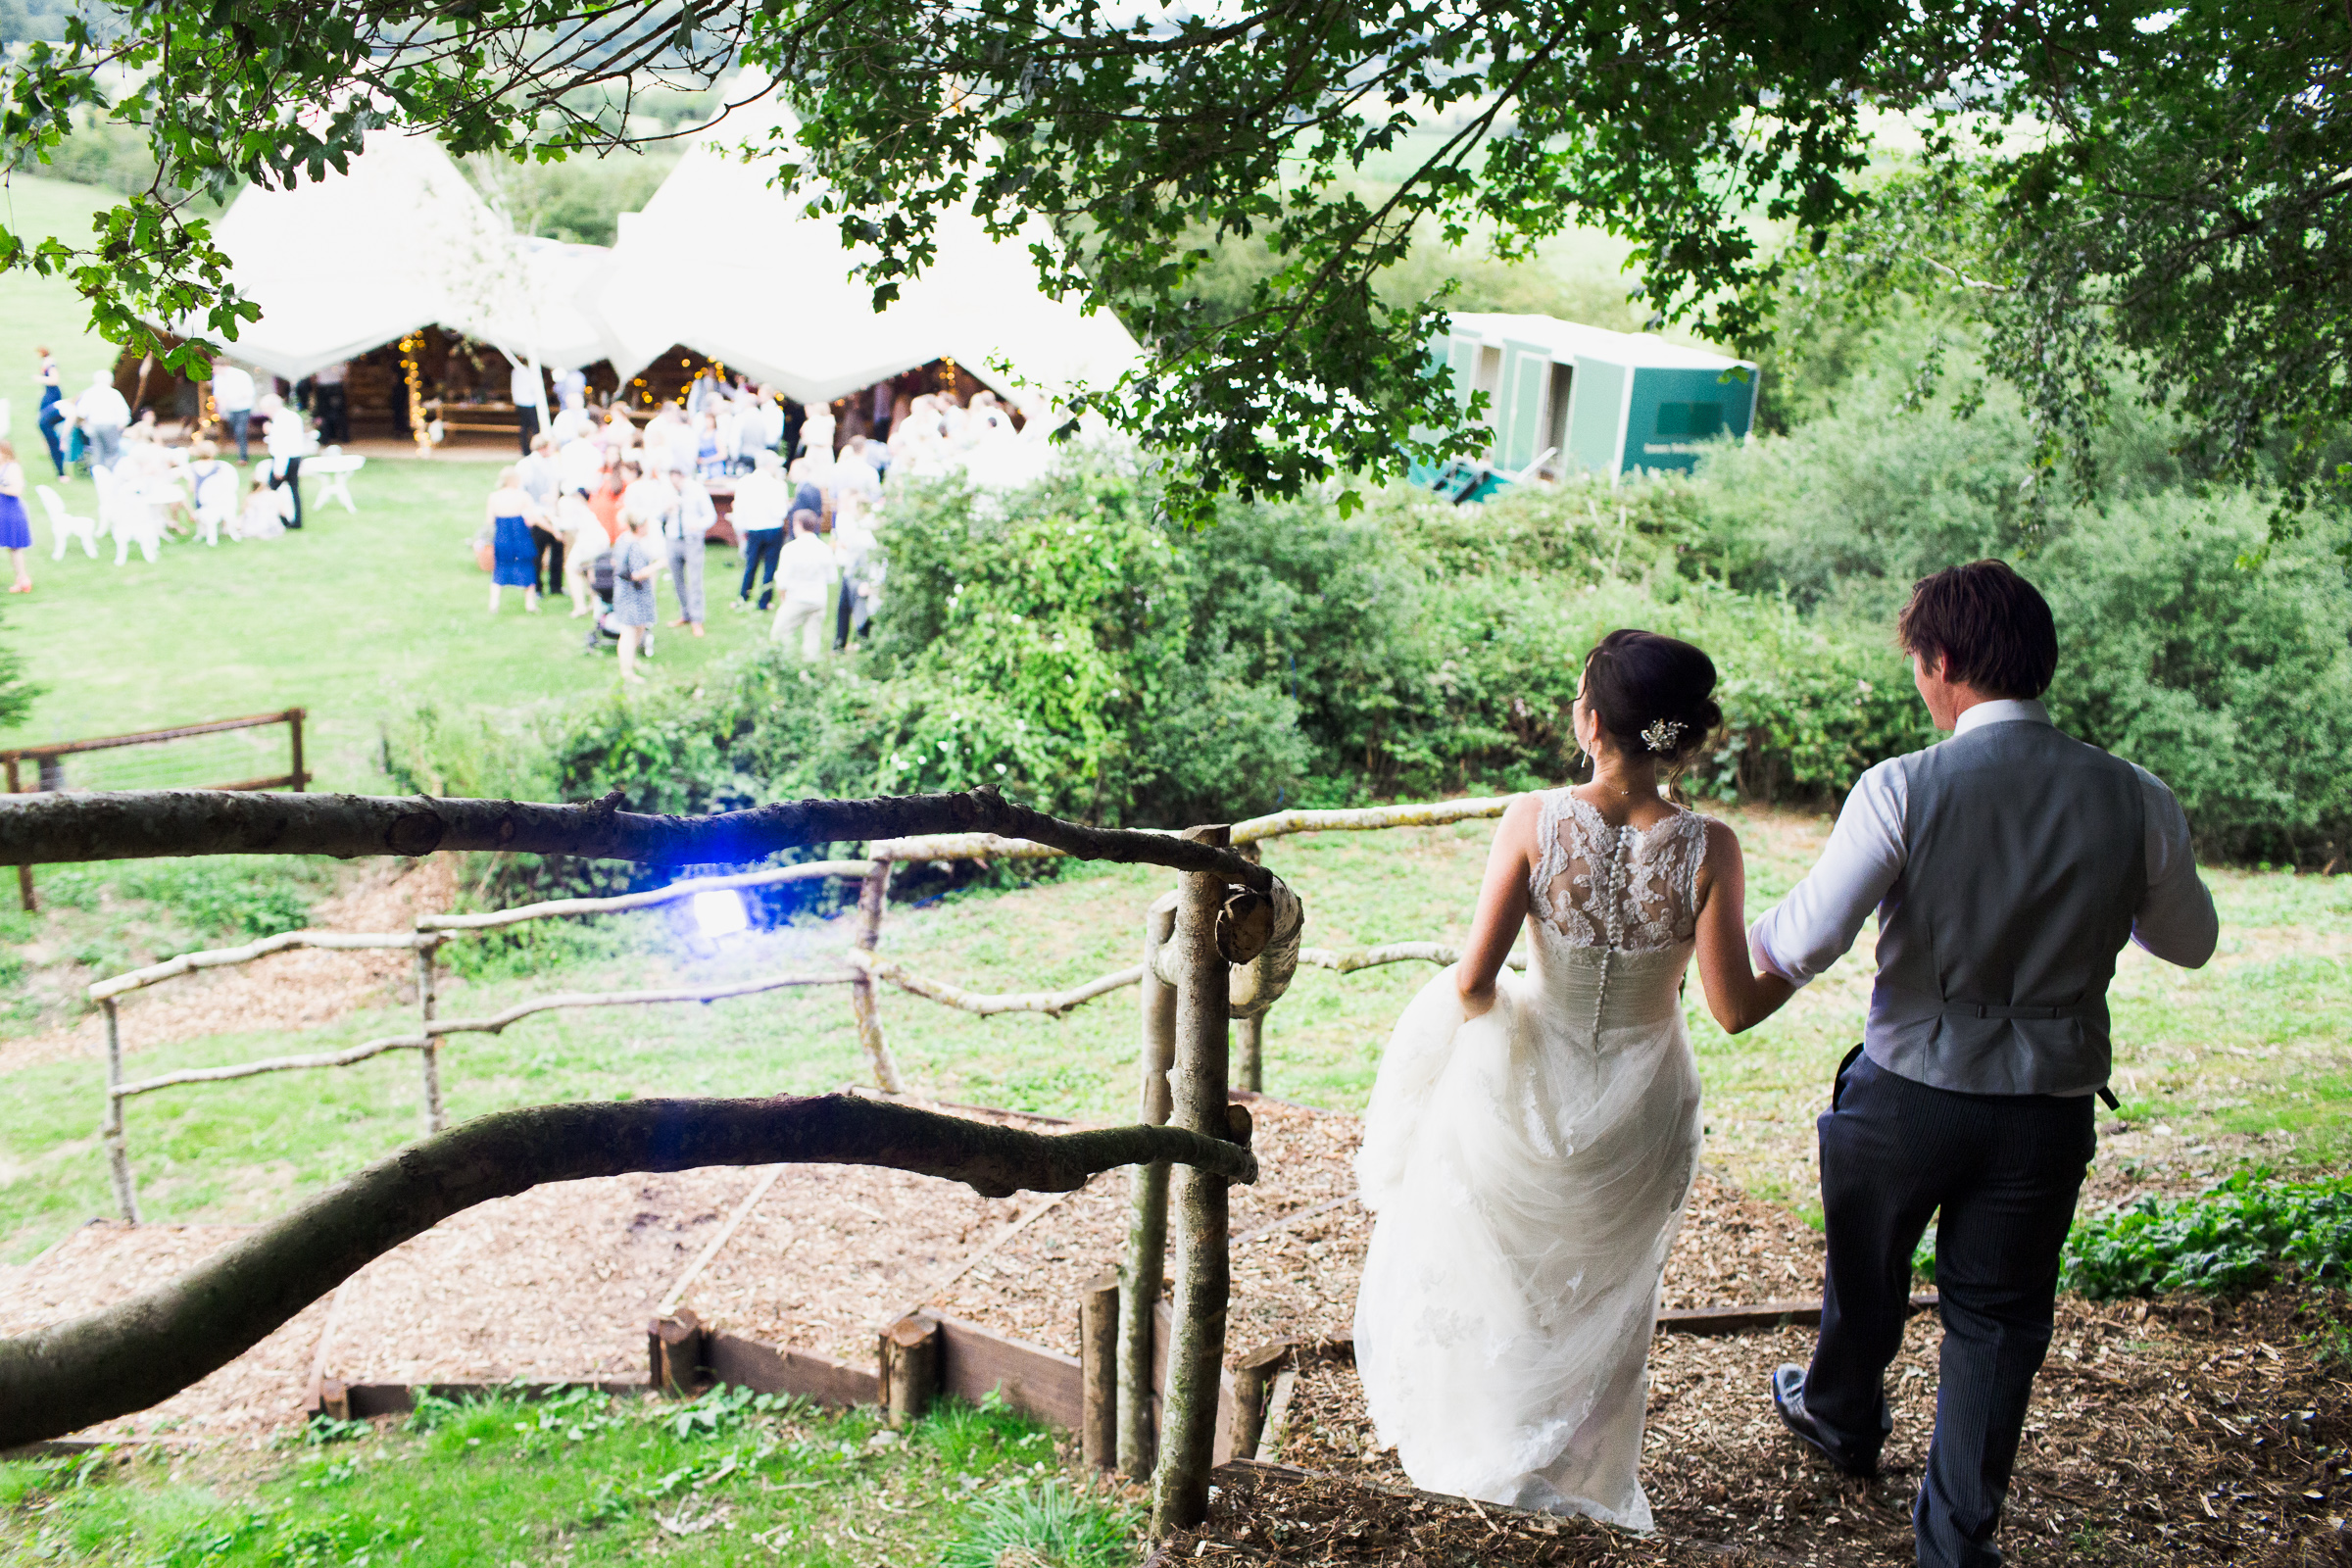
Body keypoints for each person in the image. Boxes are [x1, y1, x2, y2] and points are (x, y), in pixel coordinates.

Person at [1751, 562, 2216, 1568]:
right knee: (1999, 1325)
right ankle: (1955, 1544)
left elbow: (1797, 942)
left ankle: (1839, 1414)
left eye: (1918, 664)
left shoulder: (1903, 786)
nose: (1919, 681)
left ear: (1945, 662)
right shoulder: (2135, 795)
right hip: (2045, 1104)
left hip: (1908, 1090)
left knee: (1866, 1271)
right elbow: (2190, 942)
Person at [1352, 630, 1793, 1527]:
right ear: (1679, 732)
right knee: (1612, 1292)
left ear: (1593, 722)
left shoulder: (1532, 820)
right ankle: (1587, 1478)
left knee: (1510, 1273)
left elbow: (1475, 982)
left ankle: (1500, 1443)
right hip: (1644, 1100)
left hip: (1533, 1078)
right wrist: (1804, 959)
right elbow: (1734, 1008)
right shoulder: (1712, 847)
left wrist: (1500, 1033)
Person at [770, 511, 836, 660]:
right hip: (818, 599)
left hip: (797, 598)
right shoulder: (824, 549)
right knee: (812, 639)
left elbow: (782, 581)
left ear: (798, 525)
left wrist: (783, 599)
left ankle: (784, 664)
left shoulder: (790, 549)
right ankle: (809, 671)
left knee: (779, 633)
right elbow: (832, 577)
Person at [732, 450, 790, 611]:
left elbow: (739, 508)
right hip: (773, 529)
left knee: (751, 564)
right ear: (770, 465)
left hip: (753, 528)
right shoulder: (777, 485)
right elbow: (781, 512)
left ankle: (743, 596)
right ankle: (764, 601)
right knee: (770, 565)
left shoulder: (744, 482)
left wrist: (740, 529)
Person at [611, 510, 661, 682]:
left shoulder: (623, 539)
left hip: (627, 590)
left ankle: (631, 661)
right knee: (629, 631)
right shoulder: (634, 547)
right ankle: (626, 672)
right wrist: (658, 565)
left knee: (639, 626)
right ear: (639, 527)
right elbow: (637, 574)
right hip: (632, 592)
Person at [484, 466, 542, 613]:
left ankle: (494, 603)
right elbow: (532, 519)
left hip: (502, 537)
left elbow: (490, 520)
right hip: (520, 536)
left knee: (500, 568)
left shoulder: (494, 496)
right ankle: (530, 604)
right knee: (527, 566)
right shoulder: (523, 496)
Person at [666, 472, 713, 637]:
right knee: (677, 580)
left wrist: (697, 525)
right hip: (672, 539)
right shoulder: (666, 490)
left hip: (692, 540)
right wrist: (666, 509)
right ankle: (685, 614)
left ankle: (697, 619)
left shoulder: (696, 490)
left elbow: (710, 516)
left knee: (695, 581)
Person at [262, 395, 313, 528]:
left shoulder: (280, 420)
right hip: (295, 456)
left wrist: (279, 468)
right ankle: (297, 521)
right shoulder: (293, 416)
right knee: (294, 490)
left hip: (284, 459)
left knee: (270, 490)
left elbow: (281, 445)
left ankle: (278, 519)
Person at [555, 485, 606, 617]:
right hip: (598, 538)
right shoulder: (578, 502)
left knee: (571, 568)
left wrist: (553, 519)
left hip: (588, 540)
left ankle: (580, 606)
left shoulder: (564, 502)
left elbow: (567, 526)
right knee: (589, 569)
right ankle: (595, 602)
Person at [74, 370, 129, 471]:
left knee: (97, 451)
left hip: (94, 425)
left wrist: (85, 425)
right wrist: (122, 424)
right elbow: (123, 412)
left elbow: (81, 412)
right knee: (112, 452)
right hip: (110, 425)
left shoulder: (89, 393)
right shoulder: (114, 393)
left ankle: (99, 473)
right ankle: (112, 472)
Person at [0, 441, 32, 592]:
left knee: (15, 547)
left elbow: (16, 490)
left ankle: (22, 579)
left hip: (10, 511)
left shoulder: (12, 468)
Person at [209, 360, 257, 462]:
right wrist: (221, 407)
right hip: (230, 409)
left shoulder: (240, 375)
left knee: (240, 431)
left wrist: (229, 399)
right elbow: (217, 394)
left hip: (243, 407)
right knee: (235, 431)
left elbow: (248, 392)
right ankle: (240, 452)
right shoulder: (218, 378)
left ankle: (243, 456)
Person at [33, 348, 65, 478]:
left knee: (45, 420)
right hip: (48, 394)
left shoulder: (50, 363)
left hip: (52, 395)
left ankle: (55, 447)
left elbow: (54, 380)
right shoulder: (47, 362)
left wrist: (39, 379)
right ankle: (48, 448)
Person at [511, 358, 545, 454]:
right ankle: (535, 447)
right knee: (534, 427)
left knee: (525, 427)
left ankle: (526, 449)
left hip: (521, 401)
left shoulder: (516, 371)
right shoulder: (531, 371)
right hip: (530, 402)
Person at [313, 360, 349, 443]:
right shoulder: (338, 359)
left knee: (326, 414)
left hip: (326, 387)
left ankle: (327, 438)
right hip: (334, 387)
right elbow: (344, 373)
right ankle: (342, 437)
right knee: (339, 413)